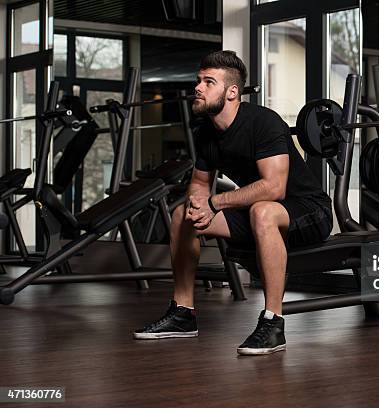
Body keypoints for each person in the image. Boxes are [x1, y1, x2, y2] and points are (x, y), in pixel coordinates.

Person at [133, 50, 333, 355]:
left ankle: (273, 322)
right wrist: (198, 208)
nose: (198, 87)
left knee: (262, 210)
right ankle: (183, 313)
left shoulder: (263, 122)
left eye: (208, 82)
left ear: (232, 91)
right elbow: (199, 184)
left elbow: (274, 187)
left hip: (309, 211)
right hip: (257, 214)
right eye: (198, 80)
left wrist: (216, 202)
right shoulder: (206, 134)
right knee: (181, 216)